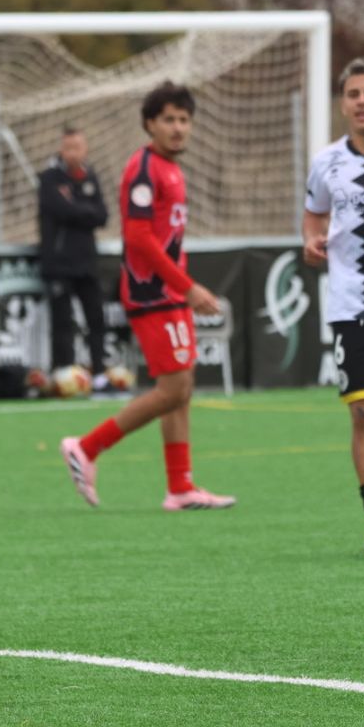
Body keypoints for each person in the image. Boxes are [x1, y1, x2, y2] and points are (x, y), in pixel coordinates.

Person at [60, 82, 234, 511]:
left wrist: (182, 284)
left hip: (169, 292)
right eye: (168, 119)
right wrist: (186, 286)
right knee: (173, 389)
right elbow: (138, 238)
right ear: (149, 124)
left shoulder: (170, 168)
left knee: (181, 388)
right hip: (152, 293)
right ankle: (86, 447)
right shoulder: (143, 169)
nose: (178, 128)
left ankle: (180, 487)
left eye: (184, 120)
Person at [303, 57, 364, 557]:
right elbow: (314, 213)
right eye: (353, 94)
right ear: (343, 104)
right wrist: (311, 240)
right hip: (351, 306)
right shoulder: (326, 162)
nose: (362, 102)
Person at [38, 128, 112, 390]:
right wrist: (84, 210)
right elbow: (61, 210)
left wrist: (77, 208)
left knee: (96, 319)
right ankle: (65, 373)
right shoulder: (49, 178)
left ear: (85, 149)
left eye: (77, 147)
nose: (73, 153)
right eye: (68, 147)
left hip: (87, 262)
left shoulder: (91, 177)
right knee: (62, 321)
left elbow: (102, 216)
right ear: (61, 149)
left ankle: (100, 374)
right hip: (58, 264)